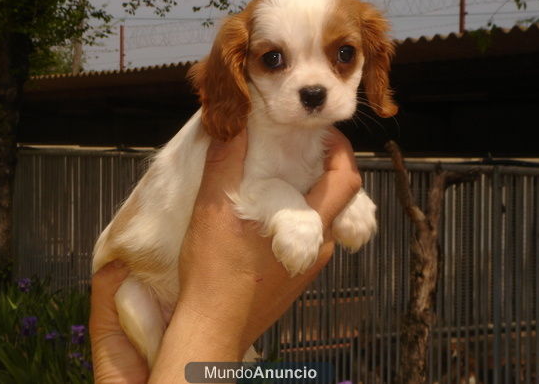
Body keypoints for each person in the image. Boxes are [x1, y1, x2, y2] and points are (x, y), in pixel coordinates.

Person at [89, 128, 363, 383]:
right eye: (274, 70)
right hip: (143, 283)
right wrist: (220, 322)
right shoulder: (232, 131)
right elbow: (253, 188)